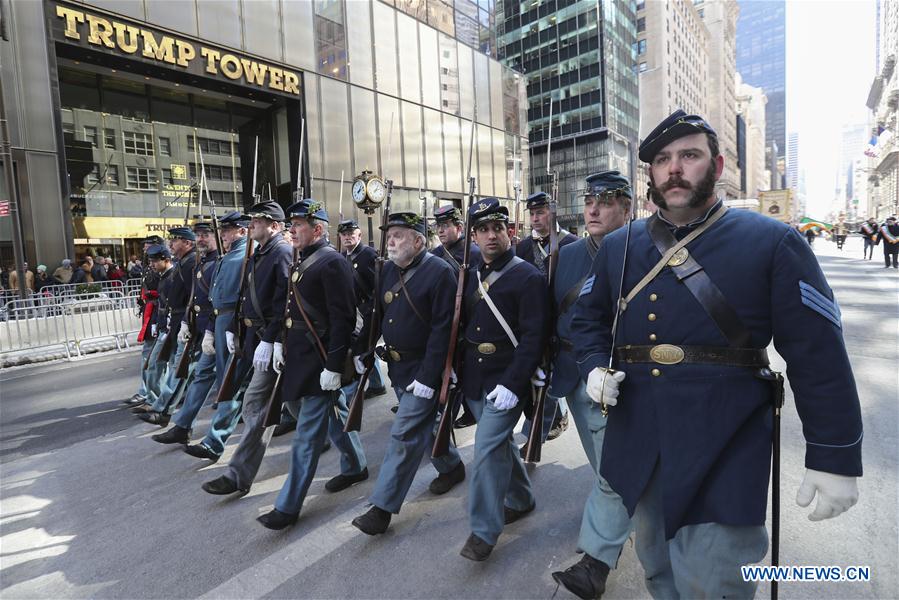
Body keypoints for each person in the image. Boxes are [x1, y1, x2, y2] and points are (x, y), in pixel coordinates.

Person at [570, 110, 862, 598]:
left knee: (714, 581)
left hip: (726, 442)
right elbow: (587, 318)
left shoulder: (772, 242)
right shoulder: (621, 246)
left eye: (689, 155)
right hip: (641, 438)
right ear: (651, 174)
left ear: (718, 165)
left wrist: (834, 455)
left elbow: (817, 354)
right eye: (662, 160)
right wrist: (594, 365)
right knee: (658, 571)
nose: (674, 169)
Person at [350, 211, 465, 536]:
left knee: (402, 436)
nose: (391, 241)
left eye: (398, 236)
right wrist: (363, 348)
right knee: (424, 430)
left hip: (423, 369)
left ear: (418, 240)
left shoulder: (440, 272)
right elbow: (376, 313)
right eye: (389, 237)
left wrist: (430, 377)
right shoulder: (386, 270)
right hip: (398, 368)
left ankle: (382, 508)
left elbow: (445, 330)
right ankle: (452, 467)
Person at [255, 199, 368, 529]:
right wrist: (280, 345)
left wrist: (334, 366)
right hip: (300, 359)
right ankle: (355, 465)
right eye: (291, 225)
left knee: (306, 437)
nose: (293, 230)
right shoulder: (298, 258)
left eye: (299, 226)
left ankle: (287, 506)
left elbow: (343, 319)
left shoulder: (331, 263)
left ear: (318, 229)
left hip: (320, 361)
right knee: (334, 419)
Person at [548, 171, 634, 599]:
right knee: (605, 467)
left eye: (606, 200)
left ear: (627, 208)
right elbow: (550, 313)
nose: (593, 209)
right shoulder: (567, 254)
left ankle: (596, 560)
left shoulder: (644, 250)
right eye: (589, 200)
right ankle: (625, 517)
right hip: (574, 376)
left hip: (624, 381)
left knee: (613, 471)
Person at [458, 198, 548, 561]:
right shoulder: (470, 273)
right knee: (501, 447)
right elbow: (462, 328)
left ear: (510, 231)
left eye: (498, 228)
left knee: (485, 451)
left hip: (507, 381)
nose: (491, 235)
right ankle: (522, 498)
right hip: (475, 380)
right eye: (483, 229)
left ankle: (483, 530)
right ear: (475, 236)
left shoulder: (528, 276)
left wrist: (514, 384)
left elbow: (533, 336)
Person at [201, 200, 293, 497]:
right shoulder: (259, 252)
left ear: (275, 226)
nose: (251, 224)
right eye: (252, 219)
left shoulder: (280, 252)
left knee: (256, 402)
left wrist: (273, 339)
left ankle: (238, 474)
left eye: (259, 220)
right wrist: (231, 328)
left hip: (274, 341)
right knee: (302, 407)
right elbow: (244, 297)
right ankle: (350, 455)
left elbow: (284, 302)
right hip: (256, 338)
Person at [151, 221, 223, 446]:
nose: (201, 238)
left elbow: (219, 301)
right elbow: (195, 298)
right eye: (198, 235)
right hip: (203, 326)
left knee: (238, 387)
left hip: (223, 328)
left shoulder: (221, 261)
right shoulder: (200, 261)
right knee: (201, 377)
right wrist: (186, 322)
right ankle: (182, 426)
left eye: (206, 234)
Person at [517, 191, 579, 442]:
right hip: (532, 319)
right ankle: (552, 419)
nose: (535, 218)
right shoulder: (522, 247)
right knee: (539, 374)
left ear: (553, 212)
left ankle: (536, 434)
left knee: (552, 376)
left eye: (540, 212)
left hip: (560, 319)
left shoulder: (572, 243)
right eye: (532, 213)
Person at [135, 227, 197, 426]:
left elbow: (191, 298)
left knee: (182, 371)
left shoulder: (188, 265)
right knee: (165, 367)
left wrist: (184, 323)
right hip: (172, 324)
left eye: (176, 240)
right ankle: (162, 409)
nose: (171, 244)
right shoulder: (179, 266)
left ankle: (165, 410)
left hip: (185, 324)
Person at [431, 204, 480, 429]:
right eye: (438, 226)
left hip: (468, 323)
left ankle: (449, 419)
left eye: (445, 226)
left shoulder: (475, 254)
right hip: (445, 321)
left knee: (461, 373)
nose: (440, 231)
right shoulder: (434, 255)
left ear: (459, 227)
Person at [338, 218, 387, 405]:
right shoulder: (342, 256)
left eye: (351, 233)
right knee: (365, 347)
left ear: (359, 235)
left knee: (363, 347)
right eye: (344, 234)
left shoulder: (368, 254)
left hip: (367, 308)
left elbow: (378, 283)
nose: (348, 237)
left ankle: (367, 387)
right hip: (353, 308)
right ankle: (376, 384)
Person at [125, 236, 165, 407]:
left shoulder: (162, 268)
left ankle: (151, 393)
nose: (144, 249)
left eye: (148, 246)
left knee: (156, 357)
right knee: (150, 354)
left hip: (158, 312)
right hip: (150, 311)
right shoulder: (147, 266)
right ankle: (149, 391)